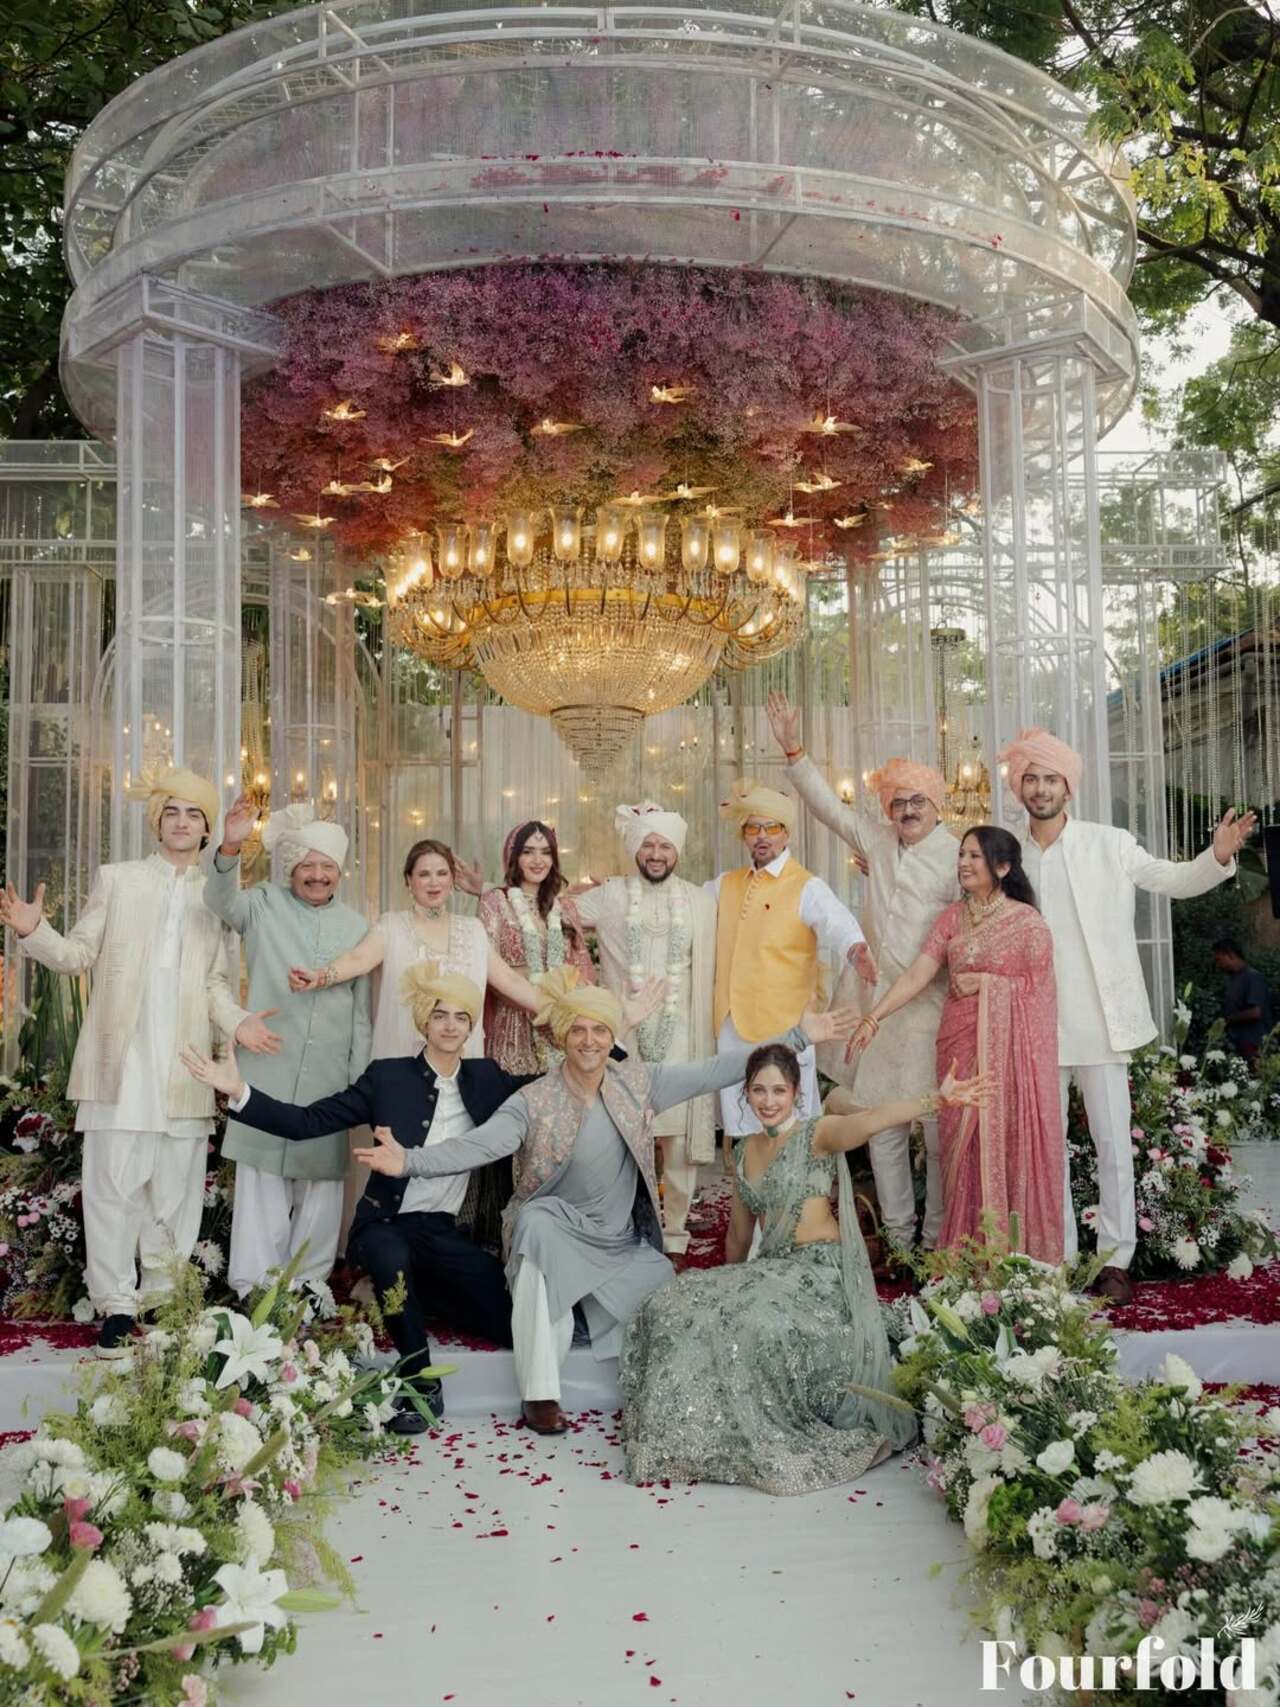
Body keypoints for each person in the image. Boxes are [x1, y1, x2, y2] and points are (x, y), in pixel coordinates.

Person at [353, 966, 858, 1436]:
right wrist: (410, 1162)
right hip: (555, 1226)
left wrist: (796, 1036)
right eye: (579, 1031)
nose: (590, 1041)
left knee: (664, 1289)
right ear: (563, 1037)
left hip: (617, 1242)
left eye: (600, 1031)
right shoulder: (533, 1100)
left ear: (611, 1037)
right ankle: (539, 1393)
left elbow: (715, 1070)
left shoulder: (638, 1083)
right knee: (534, 1228)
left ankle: (583, 1328)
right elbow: (480, 1144)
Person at [620, 1045, 989, 1494]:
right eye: (759, 1090)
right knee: (673, 1301)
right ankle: (680, 1432)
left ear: (796, 1092)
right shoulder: (743, 1151)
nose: (769, 1100)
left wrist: (936, 1100)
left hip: (822, 1276)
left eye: (779, 1090)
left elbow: (870, 1121)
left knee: (756, 1323)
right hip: (774, 1270)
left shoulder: (816, 1134)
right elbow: (739, 1235)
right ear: (746, 1095)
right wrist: (723, 1287)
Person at [182, 965, 534, 1435]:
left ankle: (422, 1293)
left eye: (461, 1017)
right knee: (391, 1255)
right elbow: (307, 1122)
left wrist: (609, 1037)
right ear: (423, 1023)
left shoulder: (486, 1078)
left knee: (507, 1323)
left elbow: (554, 1081)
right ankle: (418, 1381)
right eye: (439, 1015)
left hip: (441, 1230)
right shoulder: (387, 1078)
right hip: (383, 1224)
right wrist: (239, 1092)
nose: (450, 1025)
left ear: (472, 1027)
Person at [0, 769, 275, 1352]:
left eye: (193, 814)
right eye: (171, 811)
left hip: (185, 1064)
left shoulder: (217, 895)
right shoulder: (118, 879)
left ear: (206, 829)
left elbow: (217, 984)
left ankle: (163, 1300)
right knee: (111, 1187)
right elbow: (78, 956)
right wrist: (35, 932)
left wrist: (239, 1022)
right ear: (157, 821)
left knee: (174, 1191)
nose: (181, 821)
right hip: (120, 1063)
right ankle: (118, 1306)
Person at [1000, 727, 1255, 1303]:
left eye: (1051, 779)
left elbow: (1170, 879)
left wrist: (1216, 855)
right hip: (1034, 1025)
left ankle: (1115, 1261)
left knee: (1113, 1144)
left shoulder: (1109, 843)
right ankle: (1056, 1261)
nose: (1040, 789)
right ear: (1019, 788)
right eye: (1031, 779)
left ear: (1069, 787)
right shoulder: (1006, 852)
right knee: (1045, 1151)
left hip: (1101, 1023)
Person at [767, 690, 958, 1252]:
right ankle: (899, 1243)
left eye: (918, 801)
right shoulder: (877, 839)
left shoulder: (957, 853)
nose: (907, 811)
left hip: (932, 1005)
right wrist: (795, 751)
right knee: (881, 1125)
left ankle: (936, 1241)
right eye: (898, 802)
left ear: (938, 805)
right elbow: (830, 808)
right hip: (876, 1005)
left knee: (935, 1126)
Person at [288, 838, 545, 1249]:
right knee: (393, 1161)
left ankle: (441, 1252)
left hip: (459, 1070)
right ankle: (383, 1256)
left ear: (453, 881)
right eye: (423, 873)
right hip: (402, 1068)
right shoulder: (392, 926)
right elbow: (358, 961)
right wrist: (320, 976)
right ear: (408, 881)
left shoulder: (473, 931)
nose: (433, 881)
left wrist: (567, 1012)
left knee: (452, 1161)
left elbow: (511, 983)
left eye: (441, 873)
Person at [850, 826, 1064, 1264]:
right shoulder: (950, 918)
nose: (963, 863)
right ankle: (962, 1256)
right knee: (957, 1147)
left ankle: (1012, 1257)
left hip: (1007, 1060)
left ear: (1002, 867)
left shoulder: (1027, 924)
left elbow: (1040, 994)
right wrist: (874, 1017)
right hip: (958, 1046)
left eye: (974, 856)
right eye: (961, 855)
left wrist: (988, 982)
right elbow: (916, 975)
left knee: (1001, 1140)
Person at [204, 798, 372, 1297]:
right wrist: (231, 844)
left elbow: (361, 1013)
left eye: (327, 867)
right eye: (307, 866)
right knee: (261, 1183)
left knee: (321, 1189)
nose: (317, 875)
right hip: (268, 1064)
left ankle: (309, 1292)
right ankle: (253, 1291)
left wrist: (360, 1084)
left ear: (339, 872)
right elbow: (220, 900)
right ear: (292, 868)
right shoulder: (260, 904)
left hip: (328, 1077)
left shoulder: (358, 928)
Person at [571, 801, 717, 1256]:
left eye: (665, 846)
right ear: (635, 849)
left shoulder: (700, 900)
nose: (656, 853)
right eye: (648, 844)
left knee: (674, 1139)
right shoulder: (611, 895)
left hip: (682, 1032)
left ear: (678, 852)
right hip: (622, 1034)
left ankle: (673, 1229)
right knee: (621, 1132)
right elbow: (546, 913)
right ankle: (621, 1223)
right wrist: (491, 895)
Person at [710, 781, 873, 1144]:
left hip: (788, 1027)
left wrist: (855, 948)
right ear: (744, 835)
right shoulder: (726, 884)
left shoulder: (806, 886)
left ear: (786, 835)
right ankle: (748, 1195)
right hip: (733, 1026)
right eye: (753, 828)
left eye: (772, 828)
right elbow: (688, 907)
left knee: (790, 1128)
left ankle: (795, 1200)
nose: (762, 836)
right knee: (742, 1129)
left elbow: (837, 922)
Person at [478, 821, 594, 1074]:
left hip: (560, 1030)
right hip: (512, 1028)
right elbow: (489, 972)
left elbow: (581, 975)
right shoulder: (495, 902)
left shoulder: (565, 909)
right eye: (528, 851)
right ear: (513, 856)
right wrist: (538, 996)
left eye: (545, 852)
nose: (537, 860)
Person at [1213, 937, 1273, 1068]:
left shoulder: (1253, 977)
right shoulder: (1235, 979)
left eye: (1219, 960)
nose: (1218, 965)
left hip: (1254, 1045)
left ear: (1230, 955)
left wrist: (1227, 1019)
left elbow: (1255, 1012)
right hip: (1240, 1045)